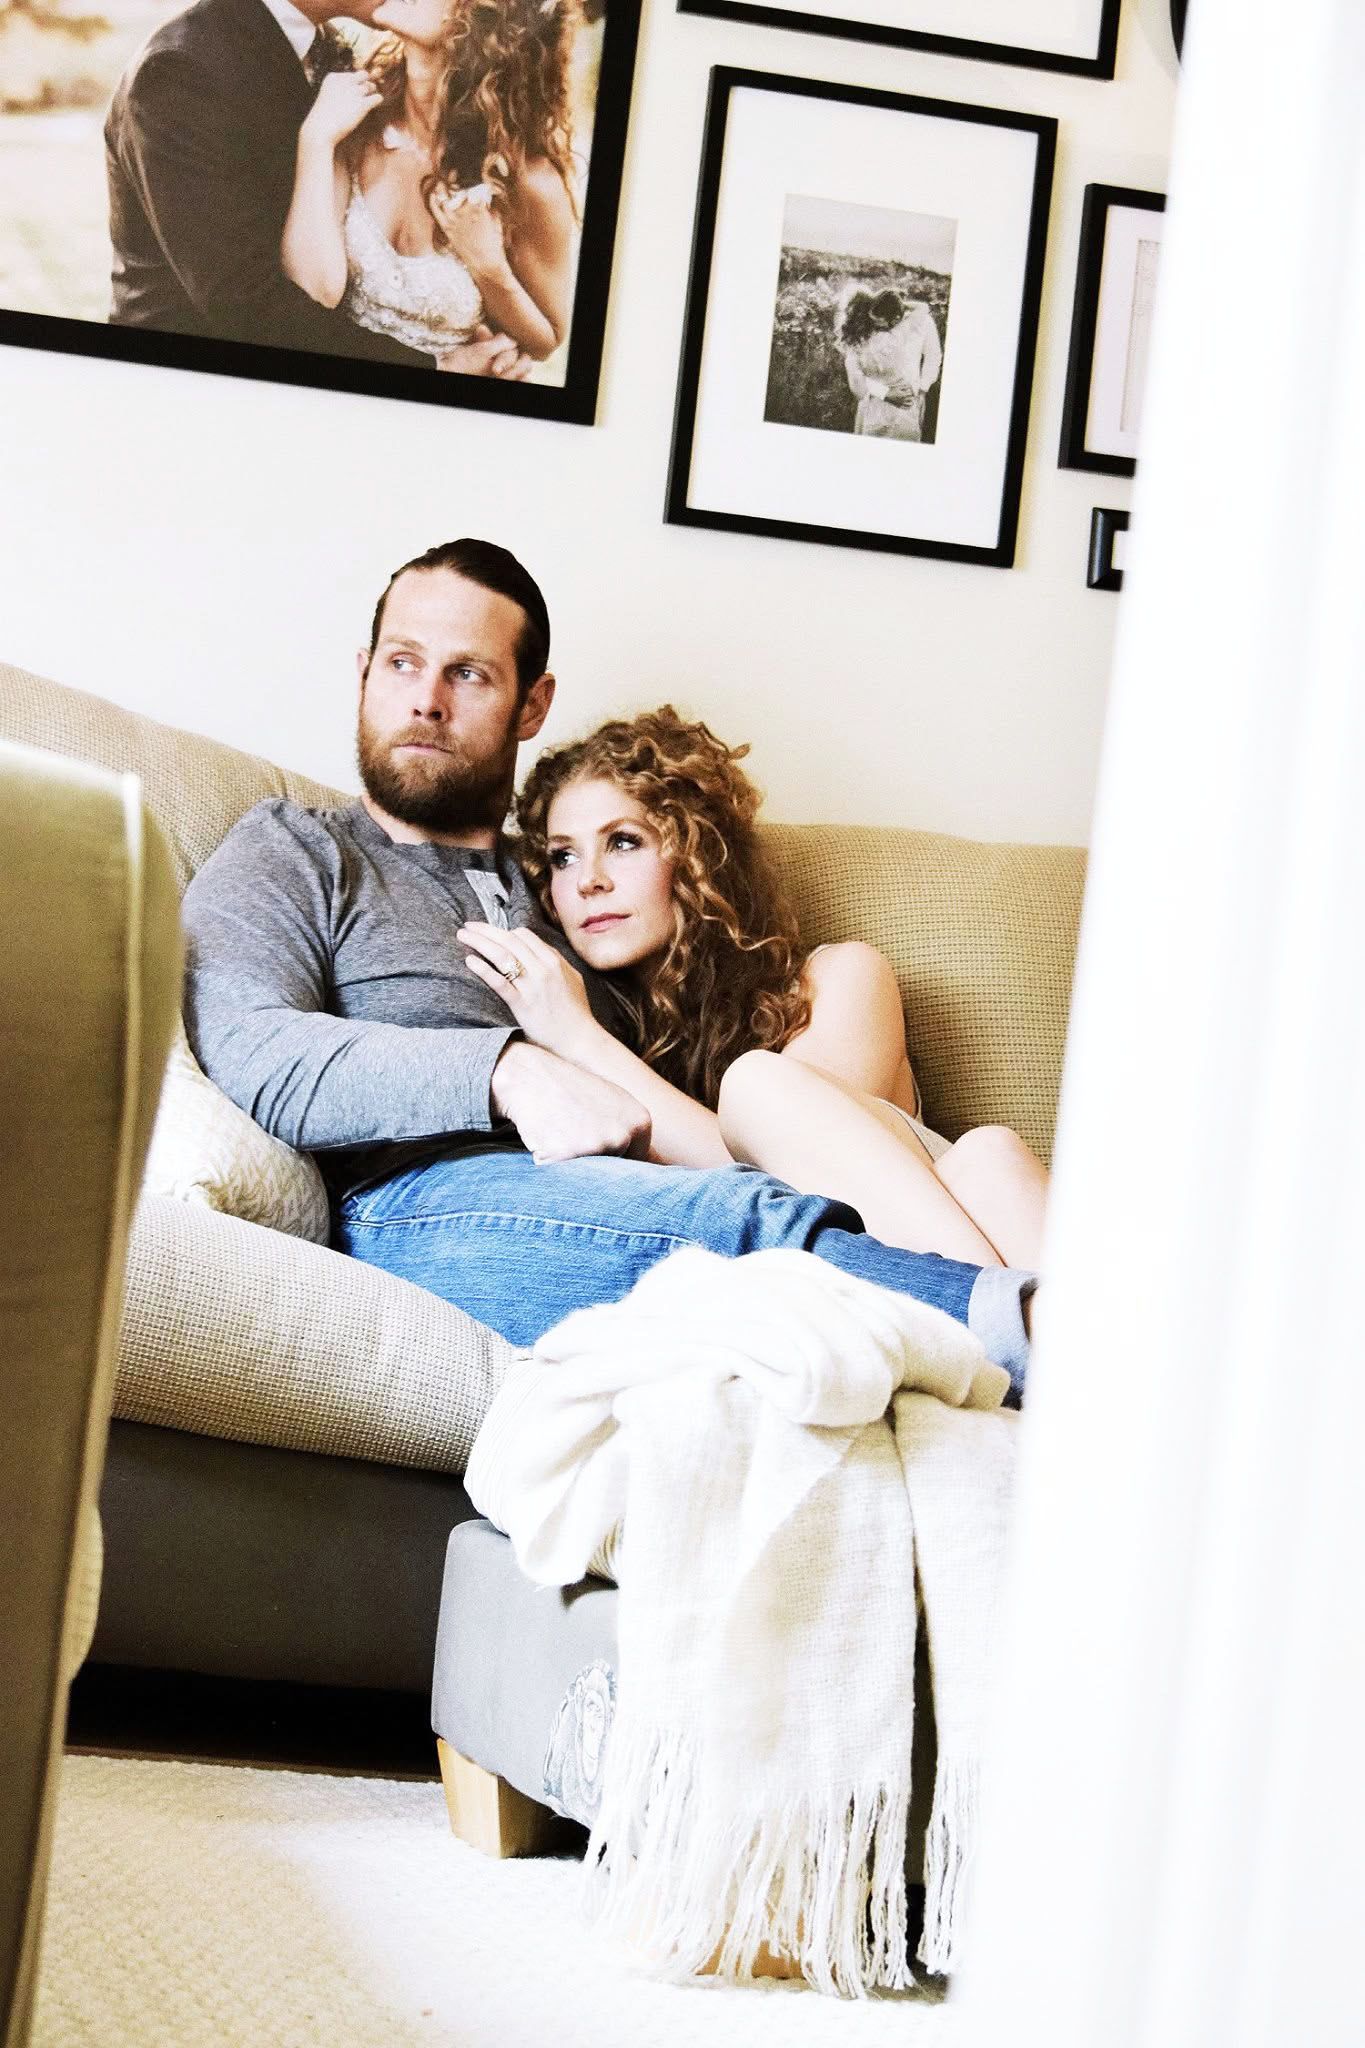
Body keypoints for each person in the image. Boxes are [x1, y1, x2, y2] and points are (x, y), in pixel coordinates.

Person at [181, 539, 1037, 1394]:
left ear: (530, 703)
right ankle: (1045, 1341)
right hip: (432, 1194)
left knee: (922, 1171)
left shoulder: (579, 896)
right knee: (742, 1218)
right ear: (365, 672)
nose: (428, 701)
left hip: (642, 1188)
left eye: (469, 674)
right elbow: (247, 1042)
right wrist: (504, 1072)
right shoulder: (298, 848)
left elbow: (748, 1076)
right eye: (403, 663)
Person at [466, 707, 1049, 1272]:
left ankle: (1003, 1321)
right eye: (563, 856)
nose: (589, 879)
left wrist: (577, 1036)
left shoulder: (843, 976)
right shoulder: (608, 1034)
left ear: (697, 853)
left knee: (985, 1156)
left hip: (989, 1235)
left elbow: (784, 1192)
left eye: (623, 840)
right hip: (839, 1304)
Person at [104, 0, 528, 377]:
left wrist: (494, 346)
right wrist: (432, 367)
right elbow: (242, 302)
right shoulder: (181, 71)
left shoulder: (327, 51)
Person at [280, 0, 576, 367]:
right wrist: (317, 140)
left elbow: (546, 342)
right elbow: (313, 290)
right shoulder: (355, 120)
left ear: (483, 21)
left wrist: (488, 265)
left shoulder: (528, 181)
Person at [836, 285, 943, 442]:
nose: (879, 326)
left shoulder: (921, 322)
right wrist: (885, 393)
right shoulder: (867, 326)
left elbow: (933, 356)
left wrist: (922, 389)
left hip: (908, 398)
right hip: (873, 399)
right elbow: (856, 378)